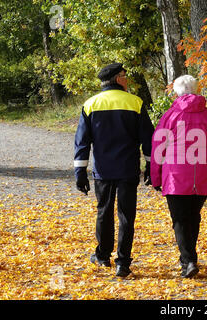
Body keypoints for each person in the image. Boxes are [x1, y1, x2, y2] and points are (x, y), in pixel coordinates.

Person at [74, 63, 154, 277]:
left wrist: (80, 172)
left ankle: (102, 256)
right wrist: (151, 167)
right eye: (125, 76)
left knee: (104, 212)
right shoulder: (135, 103)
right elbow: (148, 139)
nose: (127, 79)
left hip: (103, 170)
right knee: (126, 215)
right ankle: (123, 262)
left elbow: (82, 142)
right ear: (118, 79)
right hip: (128, 169)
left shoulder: (90, 104)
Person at [150, 75, 207, 278]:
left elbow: (158, 149)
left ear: (176, 92)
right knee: (193, 217)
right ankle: (189, 258)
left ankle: (188, 261)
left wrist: (156, 178)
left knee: (179, 219)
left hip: (175, 175)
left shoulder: (170, 116)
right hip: (203, 174)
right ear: (196, 90)